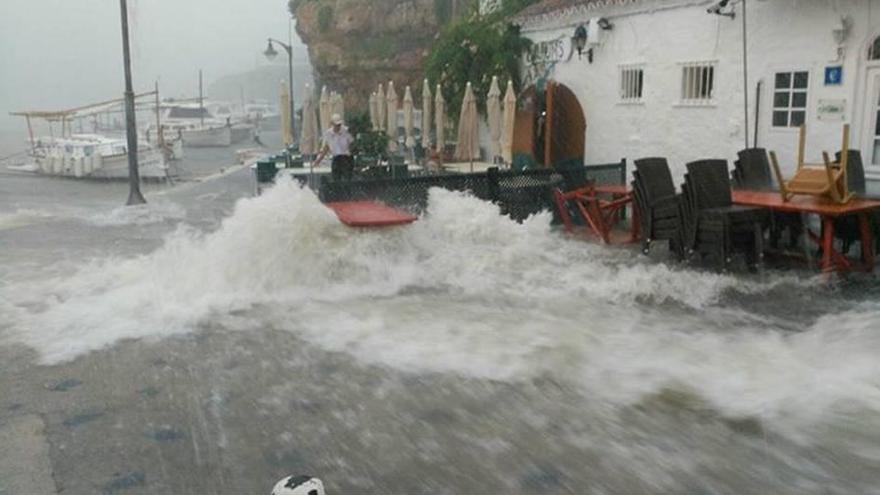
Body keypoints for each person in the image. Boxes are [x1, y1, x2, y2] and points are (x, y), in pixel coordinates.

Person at [314, 113, 354, 181]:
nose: (338, 126)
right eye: (336, 125)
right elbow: (326, 147)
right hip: (336, 158)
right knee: (335, 178)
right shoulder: (328, 133)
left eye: (339, 125)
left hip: (346, 158)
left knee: (347, 179)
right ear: (332, 124)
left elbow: (352, 143)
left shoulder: (346, 131)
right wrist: (319, 160)